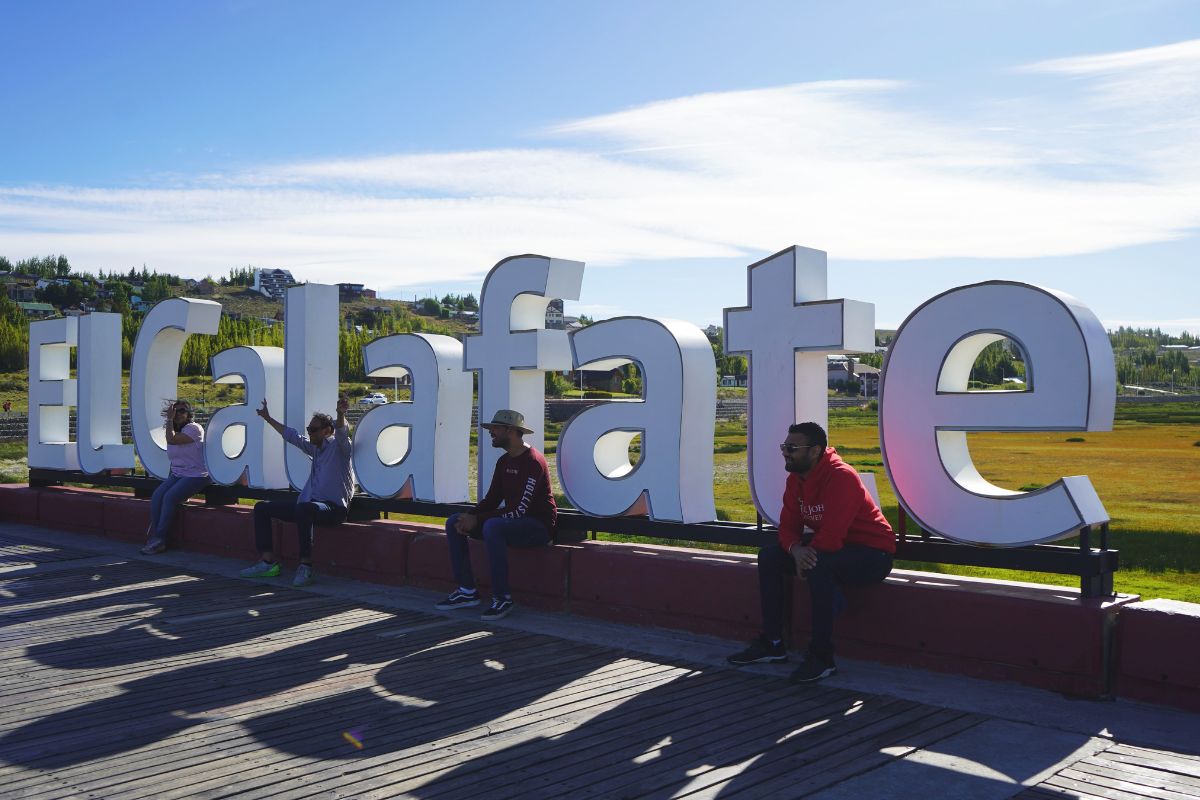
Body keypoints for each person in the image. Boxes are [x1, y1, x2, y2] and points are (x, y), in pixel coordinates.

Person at [728, 421, 895, 683]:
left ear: (815, 450)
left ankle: (822, 658)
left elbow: (833, 533)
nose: (785, 452)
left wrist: (804, 559)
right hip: (831, 549)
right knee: (769, 557)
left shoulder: (842, 476)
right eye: (784, 446)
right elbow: (788, 527)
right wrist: (795, 551)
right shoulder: (797, 480)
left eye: (792, 447)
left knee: (819, 564)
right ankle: (773, 644)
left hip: (873, 554)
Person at [435, 409, 556, 621]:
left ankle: (503, 598)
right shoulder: (504, 461)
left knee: (493, 526)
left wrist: (478, 520)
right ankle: (467, 591)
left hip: (537, 527)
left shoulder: (533, 462)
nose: (490, 433)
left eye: (495, 429)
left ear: (510, 431)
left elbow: (520, 509)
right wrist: (468, 516)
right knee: (453, 521)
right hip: (513, 522)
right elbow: (491, 500)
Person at [239, 396, 354, 587]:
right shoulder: (315, 449)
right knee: (261, 508)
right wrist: (267, 418)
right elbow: (291, 435)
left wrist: (340, 414)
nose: (309, 433)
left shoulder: (340, 448)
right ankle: (268, 563)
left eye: (313, 430)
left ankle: (306, 566)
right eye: (309, 429)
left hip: (333, 509)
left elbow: (342, 432)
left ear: (327, 431)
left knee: (303, 509)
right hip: (311, 507)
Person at [140, 400, 210, 555]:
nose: (178, 414)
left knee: (169, 497)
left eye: (182, 411)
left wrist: (169, 420)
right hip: (178, 474)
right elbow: (175, 459)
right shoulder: (171, 430)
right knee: (158, 495)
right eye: (175, 411)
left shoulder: (194, 428)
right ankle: (155, 537)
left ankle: (159, 539)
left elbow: (172, 440)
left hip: (197, 474)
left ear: (189, 414)